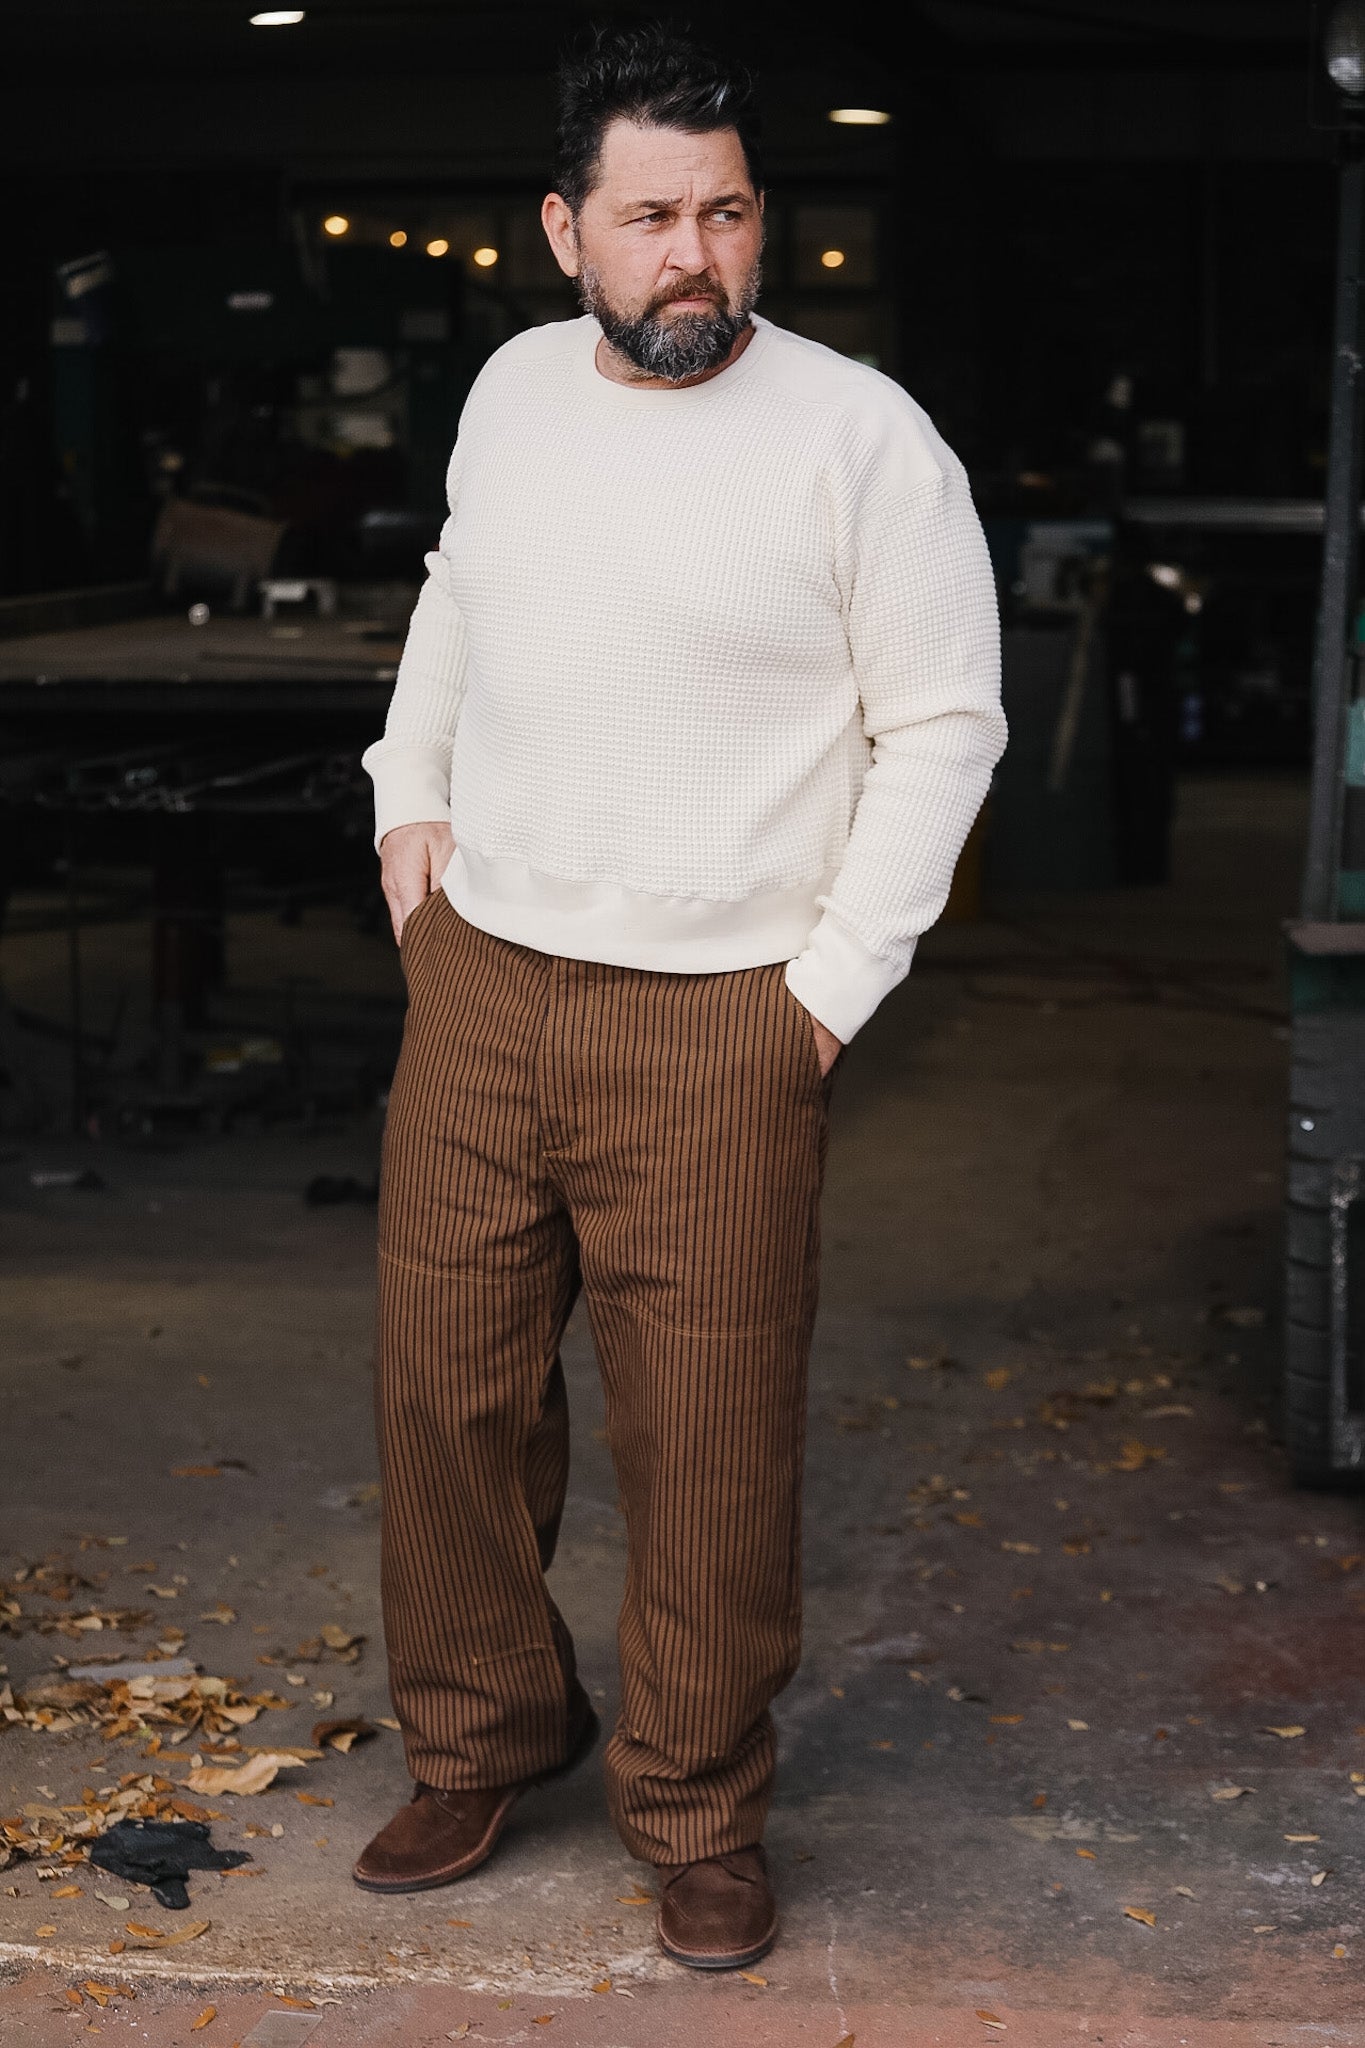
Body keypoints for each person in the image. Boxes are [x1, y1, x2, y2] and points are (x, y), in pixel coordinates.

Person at [351, 23, 1005, 1972]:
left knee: (705, 1439)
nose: (690, 256)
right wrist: (405, 799)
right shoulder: (508, 391)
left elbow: (944, 726)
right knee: (444, 1394)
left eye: (722, 212)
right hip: (485, 979)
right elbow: (457, 593)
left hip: (724, 1012)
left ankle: (699, 1809)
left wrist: (827, 990)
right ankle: (485, 1734)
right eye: (647, 218)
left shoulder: (860, 439)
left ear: (756, 219)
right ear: (566, 230)